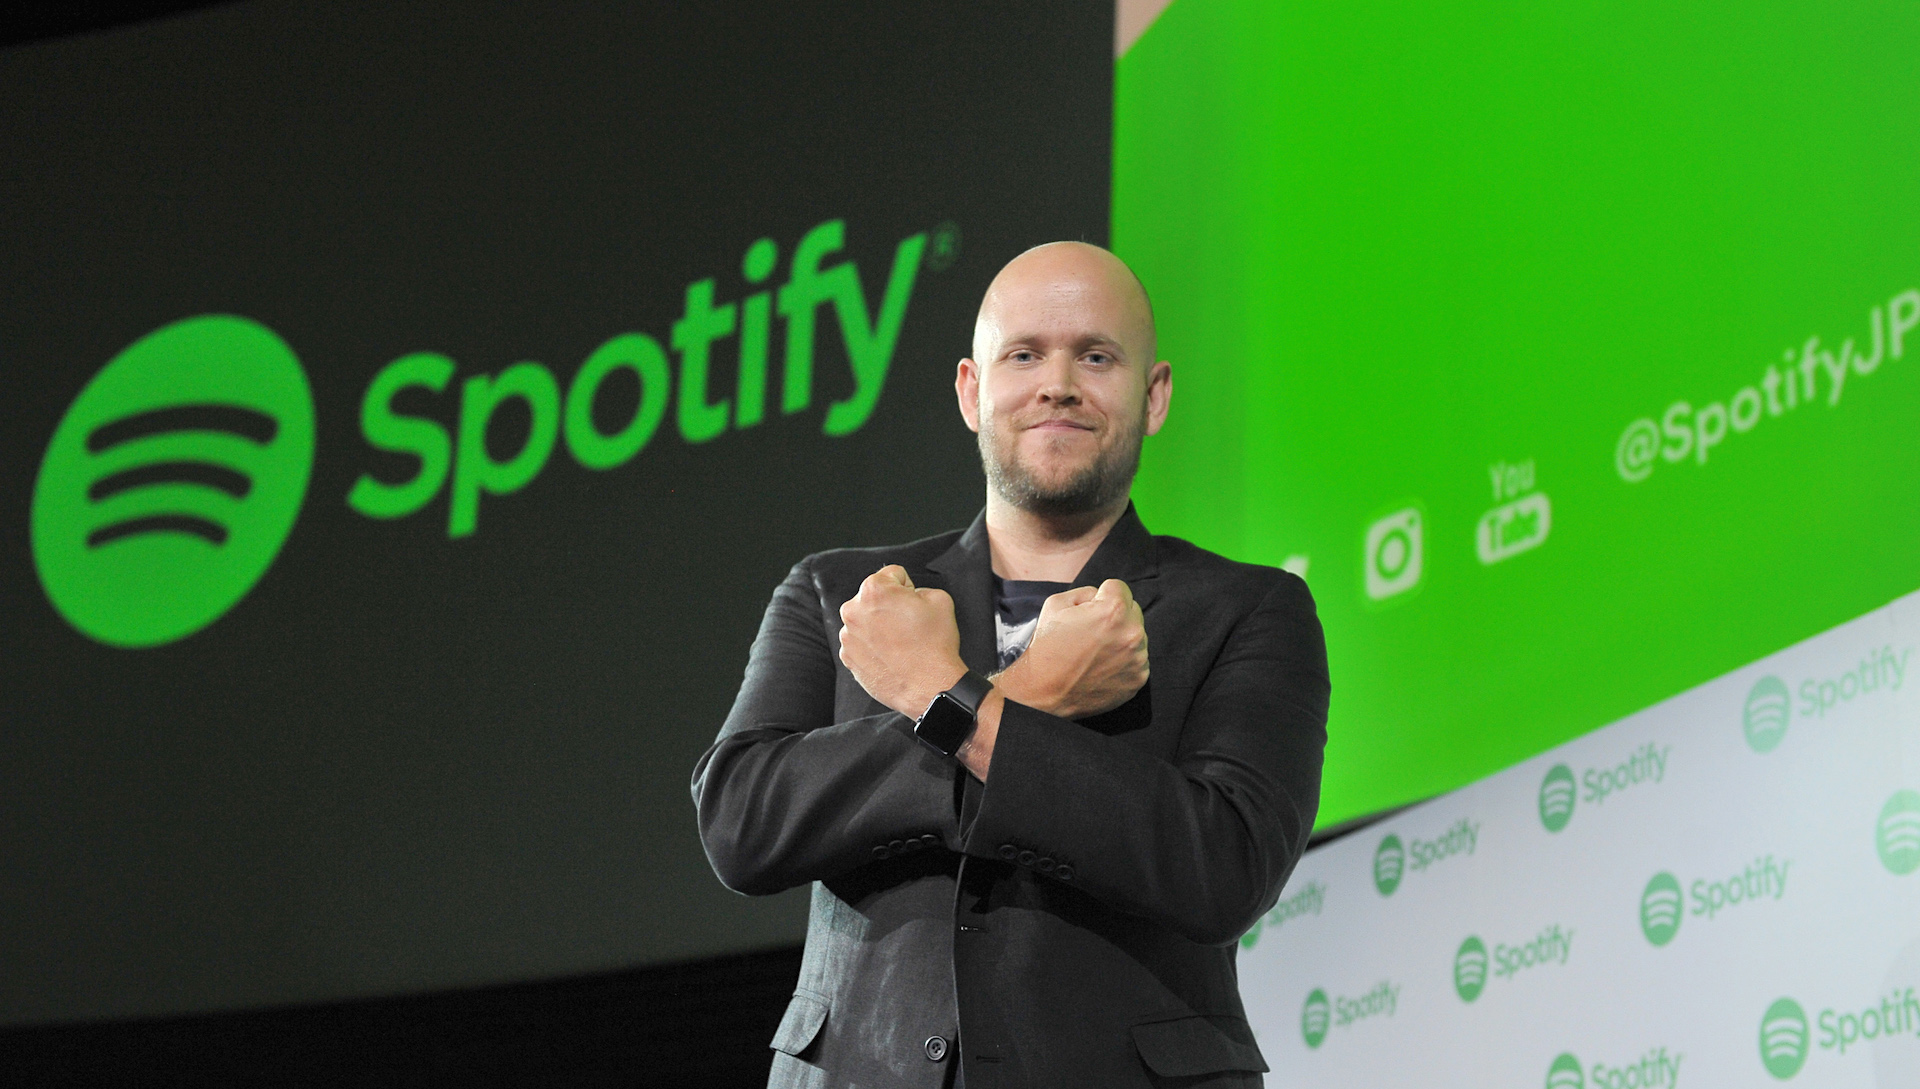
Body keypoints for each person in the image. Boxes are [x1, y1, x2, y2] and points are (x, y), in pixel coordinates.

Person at [691, 242, 1329, 1089]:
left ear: (1154, 395)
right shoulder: (844, 594)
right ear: (971, 389)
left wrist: (950, 701)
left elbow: (1226, 865)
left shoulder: (1249, 608)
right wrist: (1024, 695)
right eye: (1024, 354)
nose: (1057, 383)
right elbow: (741, 821)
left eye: (1095, 357)